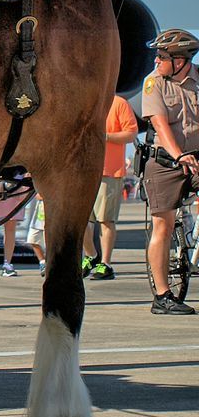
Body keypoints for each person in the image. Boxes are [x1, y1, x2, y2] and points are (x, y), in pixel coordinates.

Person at [141, 29, 199, 315]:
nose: (156, 61)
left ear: (181, 60)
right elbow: (161, 126)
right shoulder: (153, 83)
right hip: (165, 161)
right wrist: (180, 155)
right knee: (162, 226)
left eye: (162, 56)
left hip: (196, 158)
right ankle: (163, 296)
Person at [83, 93, 139, 280]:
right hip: (84, 171)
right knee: (80, 220)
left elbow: (131, 133)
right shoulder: (87, 100)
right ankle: (91, 256)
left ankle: (105, 264)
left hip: (109, 171)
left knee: (106, 220)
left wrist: (105, 136)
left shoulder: (119, 103)